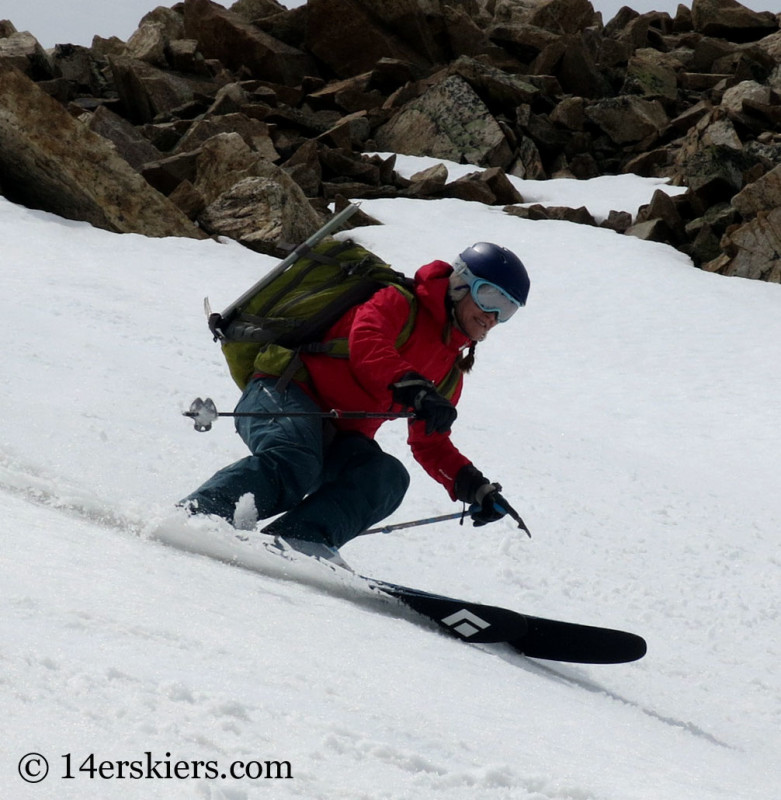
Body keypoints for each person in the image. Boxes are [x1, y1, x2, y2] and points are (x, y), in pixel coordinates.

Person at [181, 242, 530, 559]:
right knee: (295, 460)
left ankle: (294, 545)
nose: (492, 316)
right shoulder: (400, 302)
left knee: (387, 477)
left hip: (336, 436)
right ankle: (197, 515)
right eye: (489, 298)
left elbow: (431, 444)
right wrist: (410, 385)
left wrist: (472, 485)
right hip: (281, 391)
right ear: (460, 285)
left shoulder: (450, 371)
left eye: (506, 309)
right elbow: (366, 341)